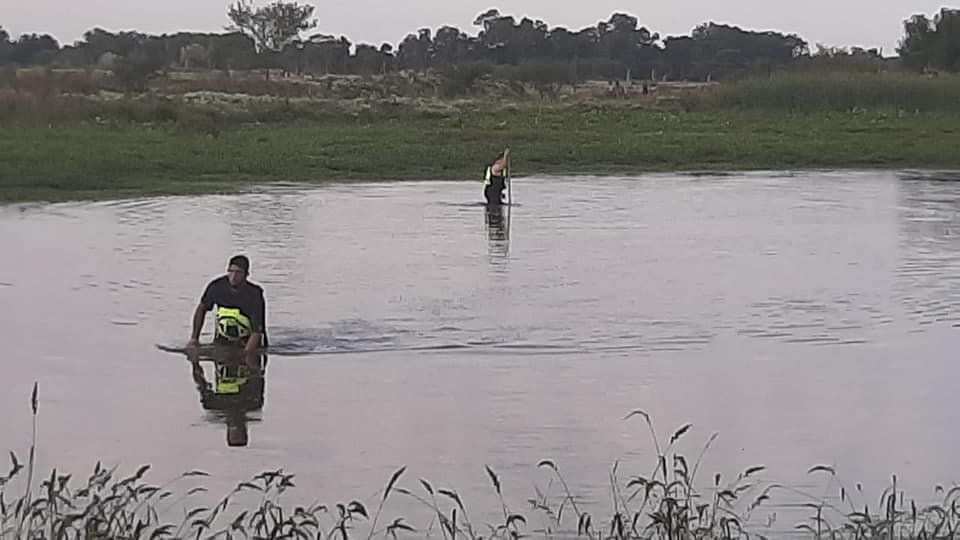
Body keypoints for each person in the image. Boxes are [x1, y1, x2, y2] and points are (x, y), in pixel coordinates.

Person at [188, 254, 267, 369]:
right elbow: (201, 309)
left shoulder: (254, 295)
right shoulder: (216, 287)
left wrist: (245, 355)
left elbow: (257, 332)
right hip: (222, 340)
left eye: (238, 272)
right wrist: (194, 339)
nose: (233, 276)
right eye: (231, 271)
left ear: (246, 275)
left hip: (248, 341)